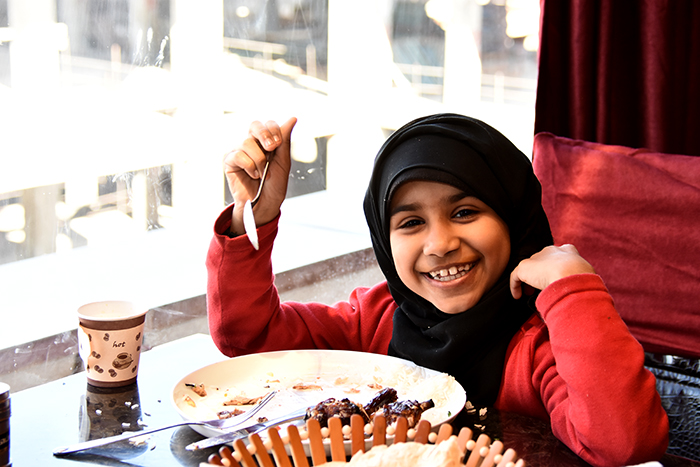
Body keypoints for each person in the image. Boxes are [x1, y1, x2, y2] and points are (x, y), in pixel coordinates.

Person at [207, 113, 668, 467]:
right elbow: (249, 337)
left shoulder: (543, 342)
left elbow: (624, 443)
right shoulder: (376, 318)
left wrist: (572, 290)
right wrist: (254, 216)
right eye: (410, 222)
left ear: (514, 217)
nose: (440, 244)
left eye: (465, 212)